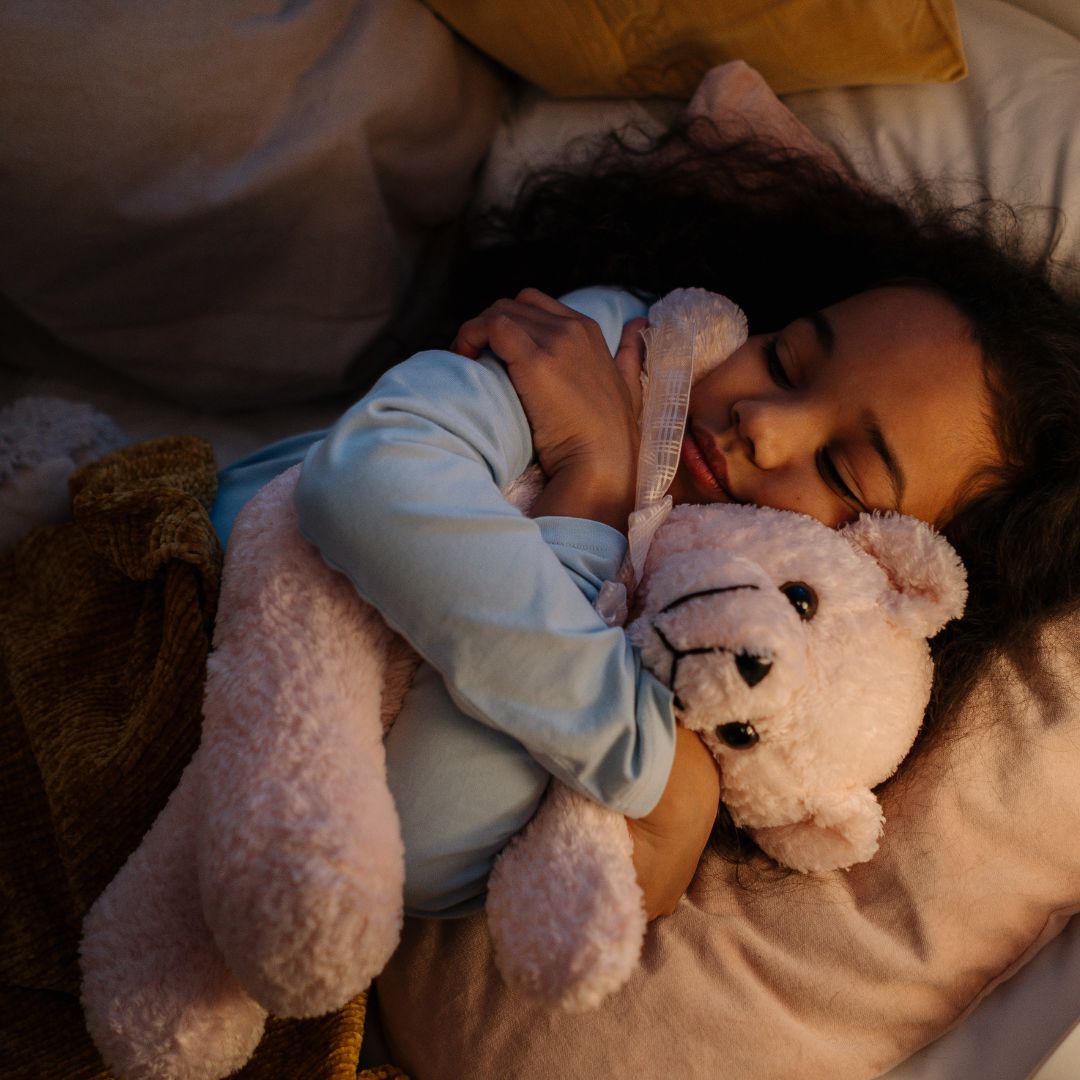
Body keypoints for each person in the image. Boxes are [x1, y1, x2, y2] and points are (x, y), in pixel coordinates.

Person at [211, 119, 1080, 924]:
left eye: (842, 470)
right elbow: (358, 483)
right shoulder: (625, 352)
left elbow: (418, 841)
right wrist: (593, 482)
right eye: (784, 357)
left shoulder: (726, 674)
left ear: (894, 578)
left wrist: (669, 774)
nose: (767, 422)